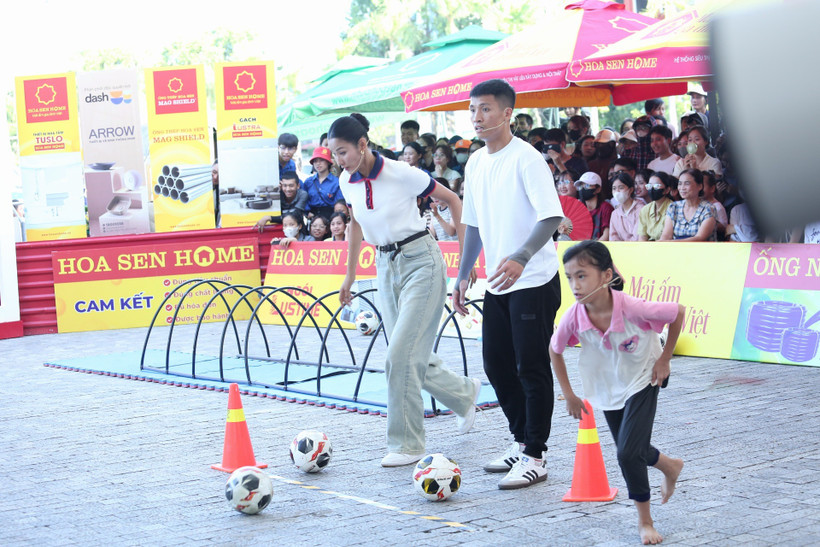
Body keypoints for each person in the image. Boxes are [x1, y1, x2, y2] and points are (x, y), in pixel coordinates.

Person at [330, 113, 481, 468]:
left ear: (362, 145)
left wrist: (466, 262)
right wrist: (349, 276)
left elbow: (454, 201)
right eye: (334, 154)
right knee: (408, 353)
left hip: (421, 262)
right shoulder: (346, 180)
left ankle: (408, 444)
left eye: (343, 152)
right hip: (384, 265)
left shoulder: (401, 172)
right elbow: (355, 224)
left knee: (400, 355)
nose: (339, 160)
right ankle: (463, 394)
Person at [453, 79, 564, 490]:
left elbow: (551, 216)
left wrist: (522, 256)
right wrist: (463, 273)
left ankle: (535, 454)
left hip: (533, 278)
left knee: (530, 367)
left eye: (485, 109)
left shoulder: (527, 158)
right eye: (472, 109)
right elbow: (473, 223)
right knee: (496, 365)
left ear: (506, 113)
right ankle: (521, 442)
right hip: (498, 282)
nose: (477, 117)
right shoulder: (475, 162)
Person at [550, 240, 685, 546]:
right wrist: (569, 394)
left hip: (644, 376)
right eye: (569, 277)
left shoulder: (633, 307)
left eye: (582, 275)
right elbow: (554, 350)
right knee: (631, 447)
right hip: (607, 385)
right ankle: (670, 466)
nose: (574, 285)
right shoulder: (573, 316)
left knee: (626, 453)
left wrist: (665, 359)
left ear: (606, 275)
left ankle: (645, 522)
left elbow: (677, 312)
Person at [661, 169, 717, 241]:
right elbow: (666, 235)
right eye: (680, 184)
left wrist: (672, 243)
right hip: (675, 247)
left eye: (687, 184)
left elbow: (700, 238)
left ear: (700, 186)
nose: (682, 188)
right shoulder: (673, 207)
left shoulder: (708, 208)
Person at [303, 146, 342, 220]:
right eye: (315, 161)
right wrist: (307, 212)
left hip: (331, 218)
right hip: (313, 218)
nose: (318, 163)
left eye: (321, 160)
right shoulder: (308, 182)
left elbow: (339, 203)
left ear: (328, 162)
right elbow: (304, 200)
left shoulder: (336, 182)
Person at [637, 172, 674, 241]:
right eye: (649, 186)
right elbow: (642, 237)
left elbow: (667, 237)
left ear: (667, 190)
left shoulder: (673, 208)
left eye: (656, 186)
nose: (652, 189)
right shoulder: (645, 209)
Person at [576, 172, 614, 240]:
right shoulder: (578, 209)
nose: (583, 189)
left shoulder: (606, 208)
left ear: (598, 189)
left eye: (587, 185)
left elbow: (607, 235)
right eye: (581, 186)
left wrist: (593, 246)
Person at [609, 172, 644, 241]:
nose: (617, 191)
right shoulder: (615, 214)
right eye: (614, 188)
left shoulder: (641, 209)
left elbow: (638, 237)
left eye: (621, 188)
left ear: (631, 190)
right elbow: (613, 237)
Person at [587, 130, 618, 199]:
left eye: (603, 144)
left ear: (611, 144)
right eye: (597, 144)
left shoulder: (618, 165)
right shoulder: (591, 164)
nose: (599, 146)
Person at [428, 177, 458, 242]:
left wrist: (437, 216)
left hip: (455, 246)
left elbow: (451, 232)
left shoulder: (453, 207)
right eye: (431, 194)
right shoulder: (435, 210)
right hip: (442, 246)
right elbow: (432, 234)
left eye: (437, 194)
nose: (434, 197)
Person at [701, 170, 728, 237]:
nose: (699, 189)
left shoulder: (717, 207)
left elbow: (724, 229)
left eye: (702, 186)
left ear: (712, 188)